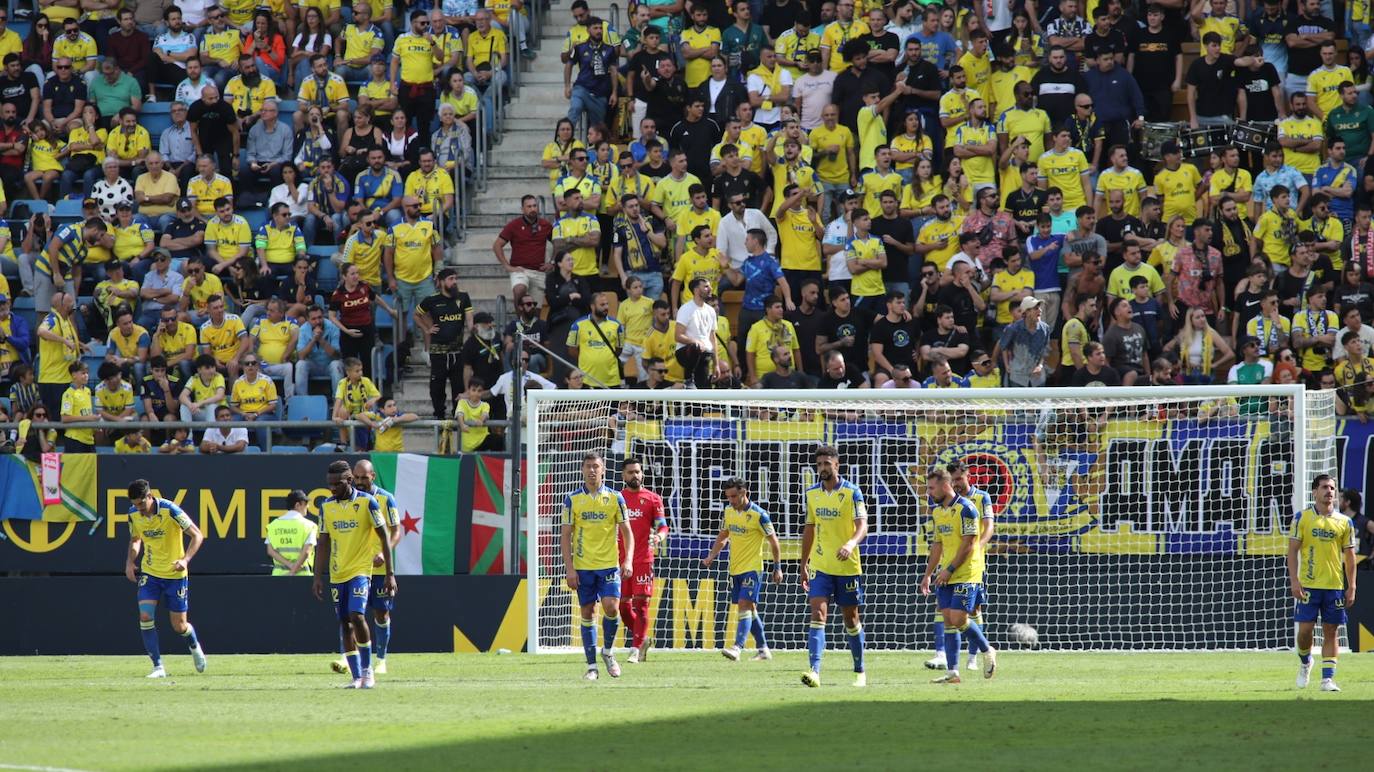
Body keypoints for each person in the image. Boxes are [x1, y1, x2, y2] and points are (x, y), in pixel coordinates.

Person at [312, 459, 394, 689]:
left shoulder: (368, 503)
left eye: (336, 484)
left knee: (357, 615)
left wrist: (390, 573)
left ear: (349, 481)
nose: (332, 488)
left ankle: (369, 672)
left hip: (360, 570)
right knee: (344, 622)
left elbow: (385, 537)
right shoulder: (326, 506)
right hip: (338, 573)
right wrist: (318, 577)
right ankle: (357, 677)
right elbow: (323, 543)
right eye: (329, 484)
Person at [560, 451, 633, 681]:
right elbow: (565, 536)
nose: (592, 470)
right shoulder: (572, 499)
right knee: (588, 613)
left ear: (603, 470)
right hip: (583, 567)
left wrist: (628, 559)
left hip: (609, 566)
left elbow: (627, 532)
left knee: (612, 607)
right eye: (588, 466)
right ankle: (592, 667)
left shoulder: (615, 498)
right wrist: (570, 569)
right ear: (582, 470)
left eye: (596, 466)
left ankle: (608, 652)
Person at [799, 445, 867, 688]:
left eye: (827, 464)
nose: (823, 468)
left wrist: (850, 543)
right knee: (817, 614)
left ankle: (859, 670)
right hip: (820, 565)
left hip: (847, 566)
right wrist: (803, 563)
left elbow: (863, 525)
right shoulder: (812, 494)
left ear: (837, 465)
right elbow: (810, 528)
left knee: (851, 619)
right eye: (819, 465)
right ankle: (814, 671)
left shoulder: (852, 492)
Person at [921, 466, 997, 684]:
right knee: (948, 619)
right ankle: (953, 673)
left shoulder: (967, 509)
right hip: (947, 571)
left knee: (958, 617)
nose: (929, 492)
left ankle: (986, 649)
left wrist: (950, 569)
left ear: (945, 486)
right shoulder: (937, 512)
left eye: (932, 488)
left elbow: (969, 544)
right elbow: (937, 545)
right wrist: (928, 574)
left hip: (966, 572)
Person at [125, 478, 207, 679]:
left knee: (179, 626)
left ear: (150, 496)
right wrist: (130, 561)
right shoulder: (133, 514)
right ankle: (158, 667)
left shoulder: (170, 510)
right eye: (135, 505)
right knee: (145, 616)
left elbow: (197, 535)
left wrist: (185, 560)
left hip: (175, 575)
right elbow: (136, 540)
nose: (140, 509)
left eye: (142, 504)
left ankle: (194, 646)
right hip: (150, 572)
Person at [1287, 474, 1357, 692]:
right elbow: (1292, 551)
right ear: (1314, 492)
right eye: (1325, 487)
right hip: (1309, 586)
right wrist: (1295, 581)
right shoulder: (1302, 518)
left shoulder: (1345, 522)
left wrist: (1351, 586)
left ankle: (1327, 679)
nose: (1330, 491)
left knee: (1331, 631)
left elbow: (1350, 556)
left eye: (1332, 488)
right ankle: (1306, 661)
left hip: (1334, 586)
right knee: (1305, 631)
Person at [702, 476, 783, 662]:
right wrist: (711, 556)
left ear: (744, 493)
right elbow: (723, 535)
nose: (730, 500)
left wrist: (777, 568)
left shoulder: (759, 515)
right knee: (750, 610)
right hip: (735, 569)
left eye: (733, 496)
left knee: (745, 605)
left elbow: (774, 542)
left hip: (753, 569)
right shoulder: (729, 511)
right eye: (728, 497)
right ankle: (763, 649)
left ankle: (738, 647)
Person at [349, 458, 402, 674]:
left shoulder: (386, 499)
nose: (360, 481)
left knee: (381, 614)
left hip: (379, 568)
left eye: (364, 477)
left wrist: (383, 551)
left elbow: (397, 531)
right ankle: (351, 658)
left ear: (373, 476)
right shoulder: (348, 499)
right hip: (356, 567)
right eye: (357, 477)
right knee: (353, 613)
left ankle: (381, 659)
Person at [615, 457, 667, 663]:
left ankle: (635, 649)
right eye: (630, 472)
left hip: (644, 559)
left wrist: (659, 536)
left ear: (642, 474)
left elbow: (662, 525)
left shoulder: (653, 499)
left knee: (642, 604)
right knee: (622, 607)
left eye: (637, 472)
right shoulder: (617, 498)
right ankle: (643, 638)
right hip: (621, 560)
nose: (634, 475)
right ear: (623, 475)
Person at [265, 490, 317, 577]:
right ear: (297, 505)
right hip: (302, 576)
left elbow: (270, 551)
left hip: (278, 575)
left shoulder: (273, 525)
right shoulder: (309, 526)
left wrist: (289, 565)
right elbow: (306, 552)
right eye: (305, 503)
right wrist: (292, 572)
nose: (308, 506)